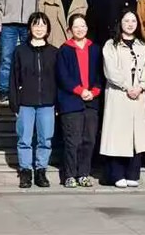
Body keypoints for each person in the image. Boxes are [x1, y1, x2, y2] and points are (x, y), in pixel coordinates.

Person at [101, 10, 145, 188]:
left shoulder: (144, 46)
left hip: (139, 96)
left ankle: (133, 173)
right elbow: (111, 71)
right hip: (119, 95)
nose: (130, 24)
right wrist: (127, 86)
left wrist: (141, 86)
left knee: (136, 136)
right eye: (126, 21)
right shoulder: (111, 45)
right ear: (120, 23)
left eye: (133, 21)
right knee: (118, 135)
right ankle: (116, 174)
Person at [9, 12, 57, 188]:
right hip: (25, 103)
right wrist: (14, 103)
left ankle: (41, 171)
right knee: (24, 139)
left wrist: (57, 103)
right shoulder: (20, 51)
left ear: (48, 29)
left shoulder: (54, 52)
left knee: (45, 139)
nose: (39, 28)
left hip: (47, 102)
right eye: (36, 24)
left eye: (43, 25)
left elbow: (58, 80)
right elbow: (13, 79)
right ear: (29, 28)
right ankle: (25, 171)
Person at [56, 14, 103, 188]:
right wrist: (80, 90)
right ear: (70, 29)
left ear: (87, 28)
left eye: (82, 26)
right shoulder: (64, 50)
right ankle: (69, 175)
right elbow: (63, 76)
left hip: (91, 101)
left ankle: (84, 173)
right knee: (72, 140)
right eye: (76, 26)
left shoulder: (95, 49)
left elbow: (100, 74)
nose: (80, 29)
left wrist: (94, 91)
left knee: (89, 140)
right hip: (71, 101)